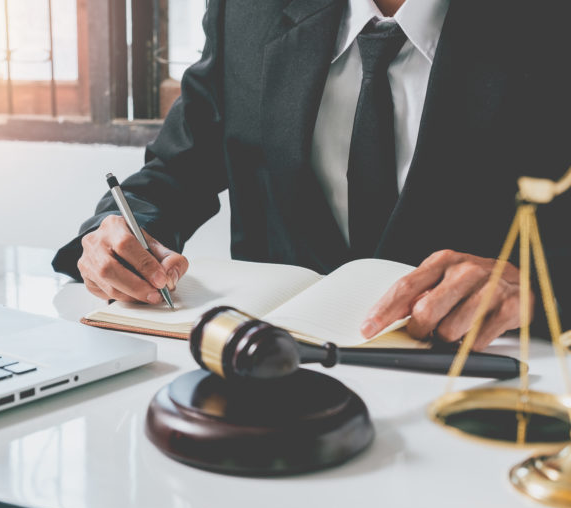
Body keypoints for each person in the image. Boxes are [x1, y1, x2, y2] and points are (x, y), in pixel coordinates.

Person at [53, 0, 571, 349]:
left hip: (483, 379)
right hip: (272, 376)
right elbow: (175, 169)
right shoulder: (246, 10)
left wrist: (532, 286)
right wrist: (112, 235)